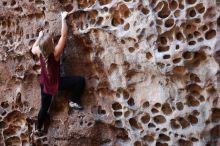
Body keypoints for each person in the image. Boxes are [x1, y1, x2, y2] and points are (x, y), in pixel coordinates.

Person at [31, 11, 85, 134]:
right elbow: (64, 36)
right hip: (56, 83)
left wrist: (39, 37)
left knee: (44, 108)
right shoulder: (55, 53)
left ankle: (38, 128)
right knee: (80, 81)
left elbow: (32, 49)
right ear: (51, 45)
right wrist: (63, 19)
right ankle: (74, 100)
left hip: (44, 85)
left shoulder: (39, 51)